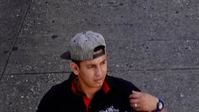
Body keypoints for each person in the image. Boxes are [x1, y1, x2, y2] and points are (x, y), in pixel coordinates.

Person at [37, 30, 166, 112]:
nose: (100, 73)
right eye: (91, 66)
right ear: (75, 68)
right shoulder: (54, 99)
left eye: (103, 63)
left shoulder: (124, 92)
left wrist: (156, 106)